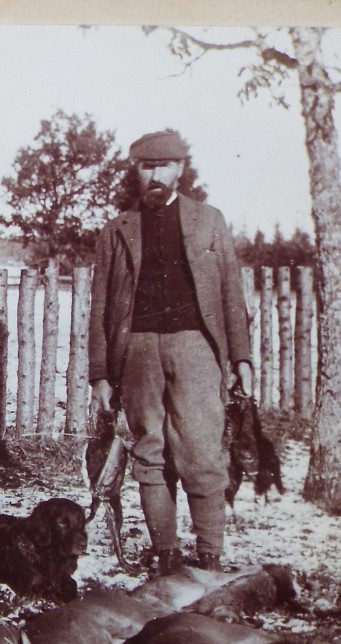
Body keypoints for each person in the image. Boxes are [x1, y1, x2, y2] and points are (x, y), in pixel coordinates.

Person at [89, 129, 253, 573]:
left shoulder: (209, 221)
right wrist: (101, 375)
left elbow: (231, 295)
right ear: (136, 171)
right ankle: (165, 556)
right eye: (147, 166)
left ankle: (210, 558)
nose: (155, 174)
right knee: (150, 453)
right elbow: (100, 307)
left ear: (181, 168)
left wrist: (241, 359)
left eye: (164, 165)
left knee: (201, 452)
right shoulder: (116, 231)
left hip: (195, 347)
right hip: (138, 352)